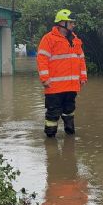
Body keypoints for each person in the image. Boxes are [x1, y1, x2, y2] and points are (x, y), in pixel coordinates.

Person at [37, 9, 87, 138]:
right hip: (54, 87)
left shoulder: (75, 40)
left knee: (69, 112)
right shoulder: (48, 39)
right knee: (53, 115)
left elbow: (81, 59)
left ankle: (70, 136)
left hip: (71, 86)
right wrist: (45, 79)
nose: (73, 25)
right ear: (62, 23)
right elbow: (42, 60)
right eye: (71, 22)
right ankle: (50, 139)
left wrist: (83, 77)